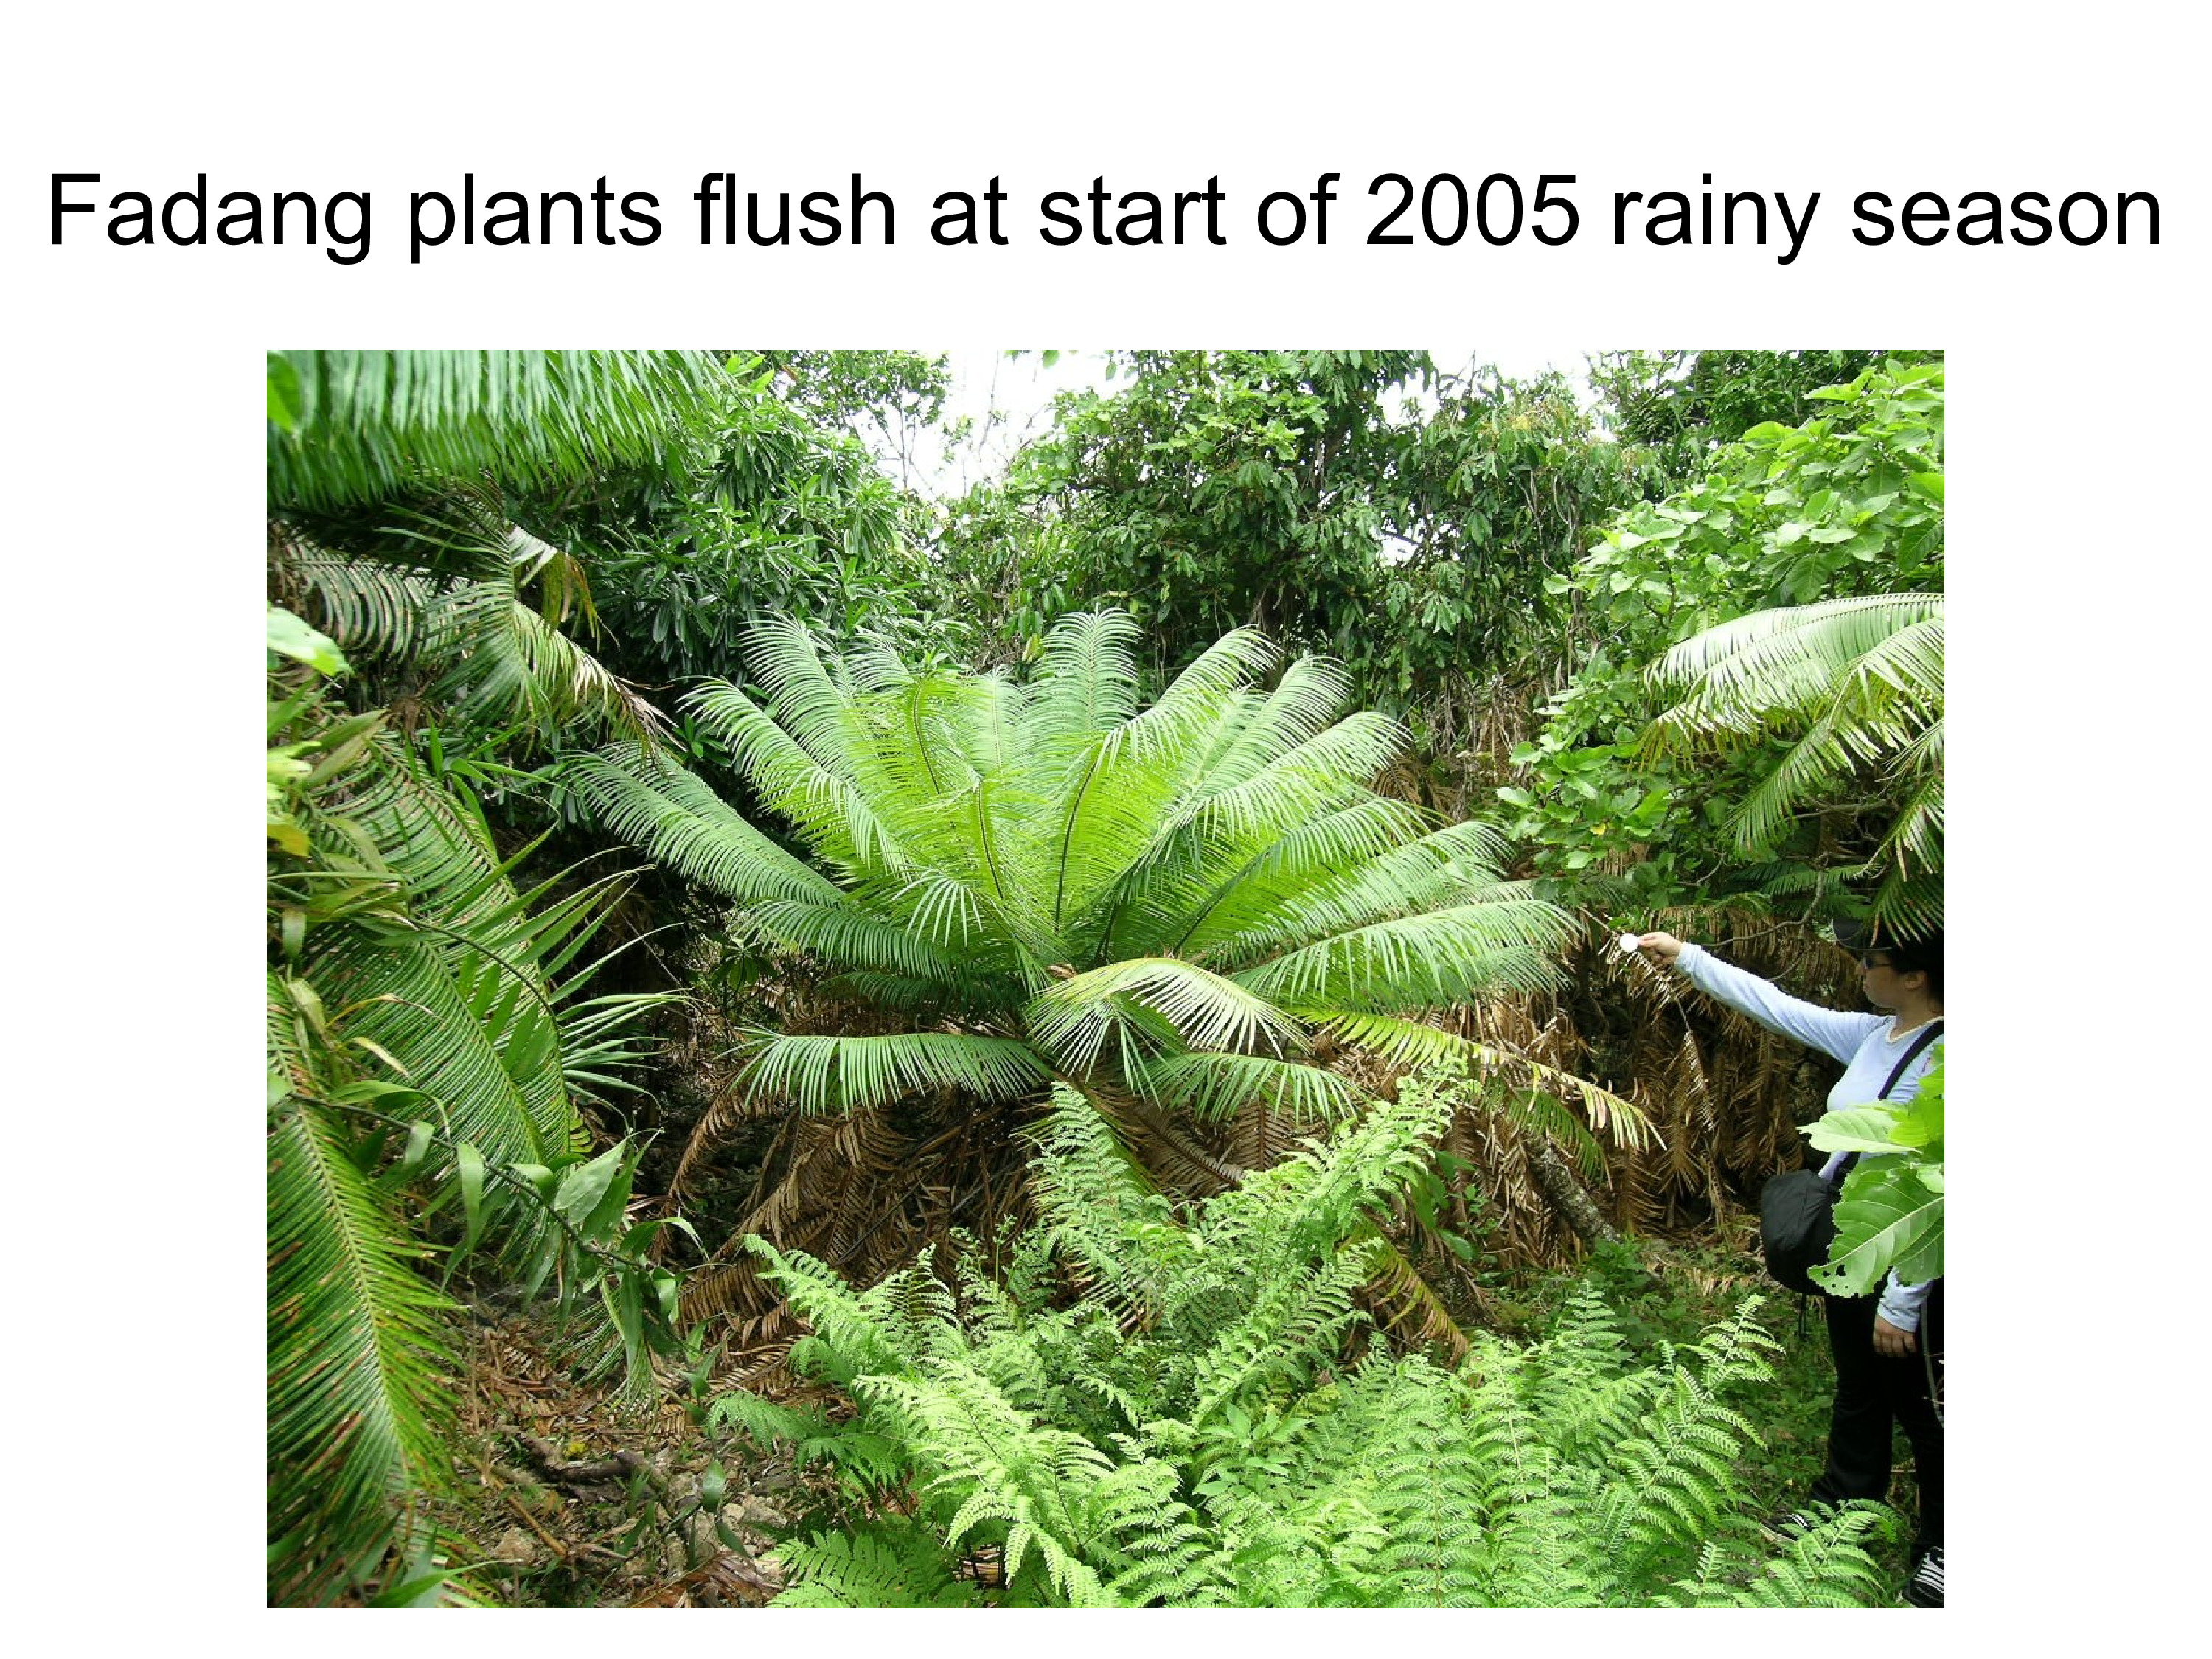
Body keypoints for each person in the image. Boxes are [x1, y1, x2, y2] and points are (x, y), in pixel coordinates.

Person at [1629, 923, 1945, 1609]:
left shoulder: (1947, 1057)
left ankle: (1944, 1548)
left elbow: (1947, 1186)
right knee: (1860, 1385)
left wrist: (1904, 1300)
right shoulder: (1873, 1035)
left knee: (1928, 1409)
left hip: (1911, 1255)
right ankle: (1843, 1508)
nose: (1860, 968)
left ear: (1915, 976)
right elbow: (1776, 1006)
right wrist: (1687, 958)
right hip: (1849, 1242)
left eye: (1871, 960)